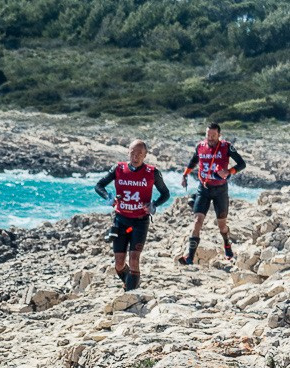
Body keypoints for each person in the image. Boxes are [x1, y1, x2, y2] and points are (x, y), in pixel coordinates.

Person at [94, 140, 170, 291]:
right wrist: (108, 198)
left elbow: (165, 194)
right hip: (120, 220)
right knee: (119, 263)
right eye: (133, 153)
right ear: (128, 152)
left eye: (139, 154)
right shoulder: (118, 168)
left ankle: (131, 293)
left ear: (145, 155)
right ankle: (132, 282)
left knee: (134, 259)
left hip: (140, 222)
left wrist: (153, 205)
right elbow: (99, 185)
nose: (135, 157)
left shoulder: (152, 172)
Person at [178, 122, 246, 264]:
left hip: (220, 190)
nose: (210, 138)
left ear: (219, 135)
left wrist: (229, 171)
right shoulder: (200, 146)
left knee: (222, 226)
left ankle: (227, 243)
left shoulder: (226, 147)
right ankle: (189, 257)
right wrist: (185, 175)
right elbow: (194, 160)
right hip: (203, 188)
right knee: (197, 222)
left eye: (213, 136)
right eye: (208, 135)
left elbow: (242, 163)